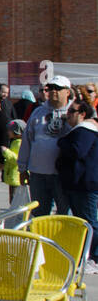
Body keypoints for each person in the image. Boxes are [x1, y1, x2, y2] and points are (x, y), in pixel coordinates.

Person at [19, 77, 74, 215]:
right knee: (39, 214)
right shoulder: (38, 112)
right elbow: (27, 140)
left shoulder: (74, 113)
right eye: (51, 88)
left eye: (58, 88)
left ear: (67, 92)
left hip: (63, 174)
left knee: (64, 213)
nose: (53, 91)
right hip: (38, 174)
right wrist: (22, 168)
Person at [58, 100, 98, 265]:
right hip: (78, 184)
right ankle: (86, 255)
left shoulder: (85, 130)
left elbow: (77, 151)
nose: (68, 115)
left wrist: (62, 141)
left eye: (72, 112)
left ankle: (93, 257)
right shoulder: (80, 130)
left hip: (85, 184)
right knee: (83, 221)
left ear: (82, 114)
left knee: (89, 223)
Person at [2, 119, 26, 206]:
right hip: (13, 176)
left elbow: (17, 160)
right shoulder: (15, 142)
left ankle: (15, 217)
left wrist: (6, 152)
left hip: (16, 177)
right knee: (12, 199)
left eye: (10, 130)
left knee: (14, 201)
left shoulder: (20, 144)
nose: (8, 132)